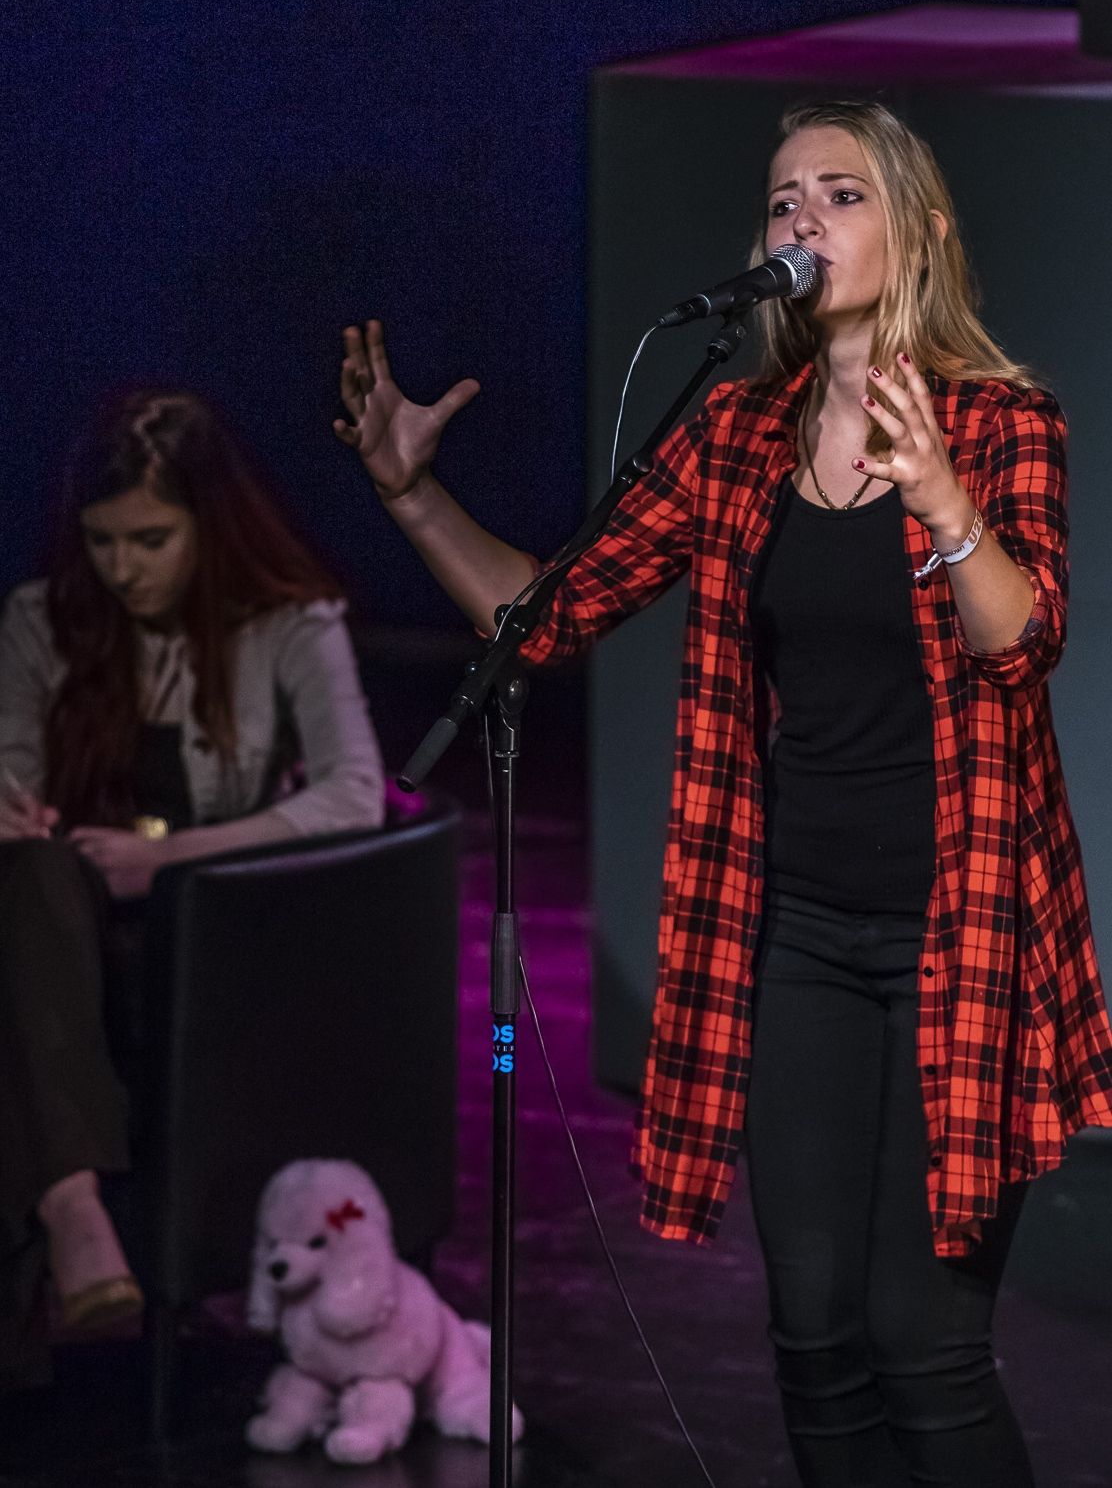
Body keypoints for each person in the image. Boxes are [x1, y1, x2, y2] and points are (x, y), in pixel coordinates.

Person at [334, 99, 1112, 1488]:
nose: (801, 217)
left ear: (922, 232)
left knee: (923, 1349)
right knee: (815, 1343)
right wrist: (411, 499)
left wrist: (943, 503)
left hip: (960, 941)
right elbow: (543, 619)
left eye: (841, 193)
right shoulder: (736, 435)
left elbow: (1022, 639)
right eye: (781, 199)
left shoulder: (1001, 422)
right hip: (796, 936)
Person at [0, 389, 385, 1367]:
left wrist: (167, 858)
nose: (121, 569)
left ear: (209, 526)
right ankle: (74, 1201)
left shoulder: (293, 624)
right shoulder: (41, 619)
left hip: (202, 931)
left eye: (150, 540)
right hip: (59, 922)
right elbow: (14, 772)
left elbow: (355, 796)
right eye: (101, 542)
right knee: (33, 882)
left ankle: (56, 1246)